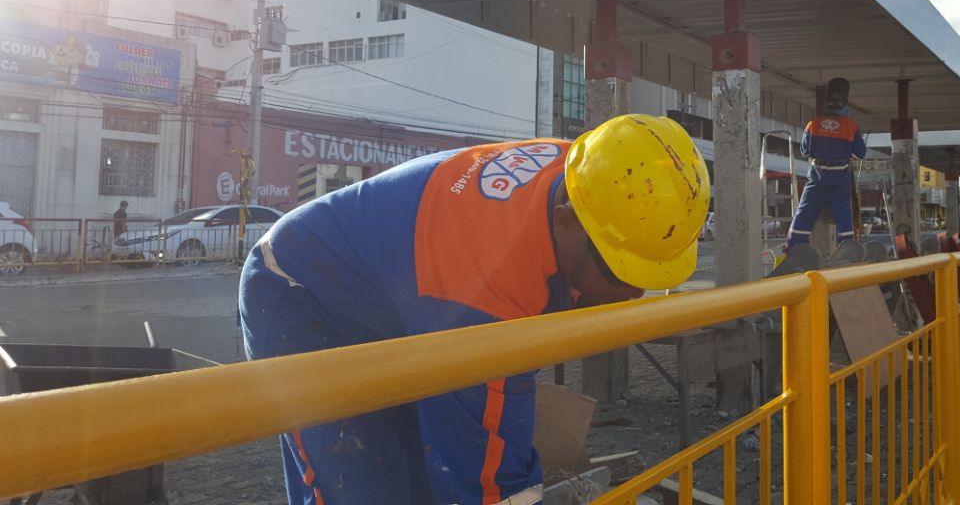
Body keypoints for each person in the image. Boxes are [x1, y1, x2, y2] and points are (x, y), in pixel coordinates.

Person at [238, 114, 709, 505]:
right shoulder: (486, 288)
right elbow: (485, 469)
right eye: (618, 274)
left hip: (397, 300)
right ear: (566, 222)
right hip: (298, 291)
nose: (632, 296)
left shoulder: (603, 178)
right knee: (362, 484)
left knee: (422, 473)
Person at [781, 77, 867, 262]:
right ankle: (846, 249)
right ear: (845, 101)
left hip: (817, 175)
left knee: (805, 211)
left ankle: (793, 248)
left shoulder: (813, 124)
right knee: (844, 213)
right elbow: (861, 153)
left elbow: (805, 151)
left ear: (826, 100)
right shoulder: (851, 126)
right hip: (840, 176)